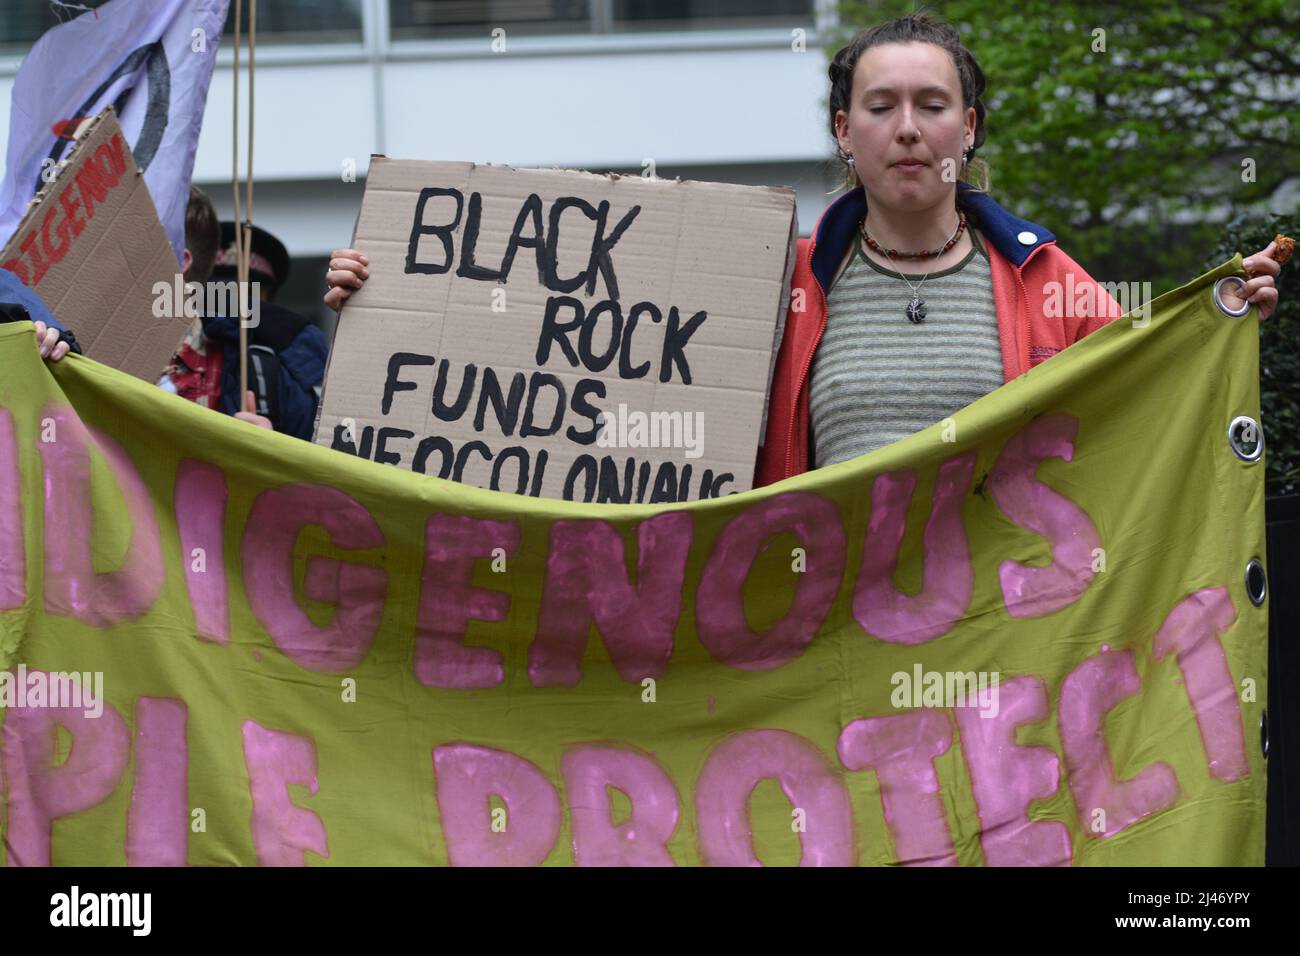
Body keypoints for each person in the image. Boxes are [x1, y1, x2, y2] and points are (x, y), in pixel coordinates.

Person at [321, 13, 1283, 486]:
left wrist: (1220, 327)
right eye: (880, 106)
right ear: (843, 131)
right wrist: (395, 298)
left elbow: (1150, 407)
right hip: (831, 639)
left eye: (933, 106)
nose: (908, 128)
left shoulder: (1050, 281)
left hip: (1009, 639)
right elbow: (573, 360)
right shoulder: (763, 284)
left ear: (969, 130)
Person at [160, 190, 326, 436]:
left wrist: (279, 454)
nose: (229, 309)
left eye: (247, 301)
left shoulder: (272, 379)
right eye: (219, 295)